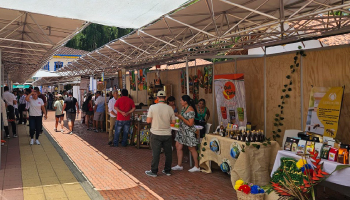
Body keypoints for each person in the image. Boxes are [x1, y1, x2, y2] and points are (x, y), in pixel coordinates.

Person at [145, 91, 175, 177]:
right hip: (167, 133)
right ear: (165, 98)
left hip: (155, 133)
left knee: (156, 153)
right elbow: (173, 121)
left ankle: (154, 171)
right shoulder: (170, 108)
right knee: (168, 153)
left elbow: (148, 121)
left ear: (157, 98)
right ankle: (167, 170)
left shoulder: (152, 107)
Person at [172, 95, 200, 172]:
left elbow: (190, 123)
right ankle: (179, 165)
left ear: (185, 101)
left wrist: (181, 118)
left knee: (191, 148)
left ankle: (197, 166)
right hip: (182, 130)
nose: (180, 102)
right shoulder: (183, 108)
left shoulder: (190, 110)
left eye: (181, 100)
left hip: (189, 131)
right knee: (178, 146)